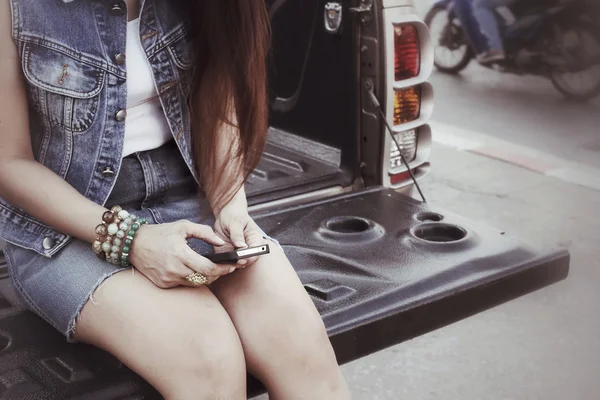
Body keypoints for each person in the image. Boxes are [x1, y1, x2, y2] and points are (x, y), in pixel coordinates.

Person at [0, 0, 352, 399]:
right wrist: (132, 240)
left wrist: (230, 202)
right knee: (210, 360)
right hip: (65, 228)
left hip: (185, 200)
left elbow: (217, 95)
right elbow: (9, 163)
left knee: (301, 345)